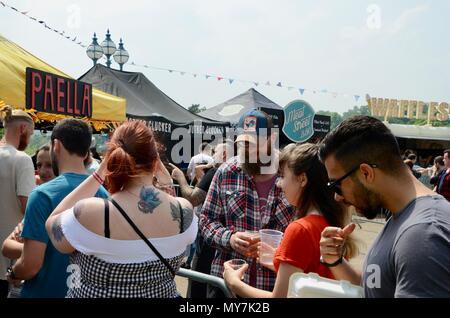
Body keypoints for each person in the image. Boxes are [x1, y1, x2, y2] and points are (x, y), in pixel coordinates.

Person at [45, 121, 197, 298]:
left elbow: (52, 224)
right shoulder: (183, 211)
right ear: (154, 159)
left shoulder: (92, 213)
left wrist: (99, 173)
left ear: (112, 157)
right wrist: (163, 177)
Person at [318, 116, 450, 298]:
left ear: (366, 173)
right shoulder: (404, 218)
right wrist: (336, 261)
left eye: (336, 185)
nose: (337, 196)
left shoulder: (422, 234)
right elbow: (375, 288)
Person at [222, 143, 357, 298]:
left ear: (302, 179)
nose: (279, 184)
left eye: (283, 176)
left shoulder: (299, 229)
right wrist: (279, 261)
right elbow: (312, 277)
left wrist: (234, 282)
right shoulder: (330, 223)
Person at [5, 119, 109, 298]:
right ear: (86, 153)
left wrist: (13, 273)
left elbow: (31, 265)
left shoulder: (42, 195)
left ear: (56, 145)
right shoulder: (104, 195)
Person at [199, 109, 295, 298]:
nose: (246, 150)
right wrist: (230, 239)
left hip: (274, 287)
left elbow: (306, 228)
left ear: (271, 138)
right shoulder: (227, 171)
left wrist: (282, 247)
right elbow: (206, 220)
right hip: (228, 288)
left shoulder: (292, 175)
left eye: (253, 143)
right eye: (242, 143)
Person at [171, 142, 233, 297]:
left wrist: (180, 177)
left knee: (199, 278)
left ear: (224, 155)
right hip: (226, 238)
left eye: (215, 151)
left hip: (209, 238)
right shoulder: (234, 174)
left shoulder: (215, 172)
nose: (212, 155)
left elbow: (192, 198)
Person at [0, 106, 35, 298]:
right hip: (6, 258)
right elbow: (27, 208)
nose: (29, 139)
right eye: (30, 134)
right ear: (22, 129)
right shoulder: (22, 159)